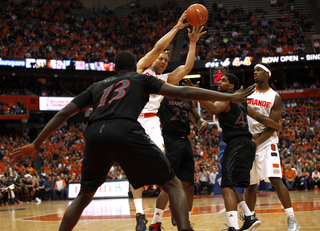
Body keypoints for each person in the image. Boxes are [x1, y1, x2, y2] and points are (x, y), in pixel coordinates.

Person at [10, 51, 254, 231]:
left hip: (95, 133)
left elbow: (64, 113)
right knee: (173, 184)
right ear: (133, 67)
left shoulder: (97, 86)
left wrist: (37, 144)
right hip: (126, 128)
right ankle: (184, 229)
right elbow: (185, 92)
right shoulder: (141, 79)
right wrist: (229, 96)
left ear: (115, 69)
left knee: (84, 196)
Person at [132, 11, 206, 231]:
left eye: (166, 60)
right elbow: (156, 47)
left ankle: (173, 212)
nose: (163, 62)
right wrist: (176, 27)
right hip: (135, 120)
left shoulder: (165, 79)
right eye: (161, 59)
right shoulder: (141, 68)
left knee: (167, 170)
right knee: (134, 170)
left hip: (154, 124)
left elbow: (187, 68)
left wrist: (192, 42)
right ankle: (139, 214)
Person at [185, 74, 282, 231]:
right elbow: (259, 117)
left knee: (227, 186)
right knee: (227, 184)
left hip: (237, 143)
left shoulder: (228, 97)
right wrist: (276, 125)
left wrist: (196, 93)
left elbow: (214, 109)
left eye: (223, 80)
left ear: (231, 87)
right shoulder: (241, 103)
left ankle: (234, 226)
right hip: (244, 144)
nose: (219, 82)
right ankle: (249, 217)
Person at [245, 63, 300, 231]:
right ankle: (250, 220)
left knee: (276, 180)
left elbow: (274, 126)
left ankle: (292, 218)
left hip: (267, 142)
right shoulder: (248, 91)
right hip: (249, 141)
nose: (255, 73)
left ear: (267, 74)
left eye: (259, 70)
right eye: (254, 71)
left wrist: (256, 143)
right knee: (251, 185)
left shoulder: (274, 97)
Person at [148, 94, 209, 231]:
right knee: (169, 184)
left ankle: (186, 222)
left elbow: (197, 118)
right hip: (169, 140)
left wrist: (203, 123)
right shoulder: (162, 97)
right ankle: (155, 223)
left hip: (185, 142)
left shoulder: (188, 99)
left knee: (188, 185)